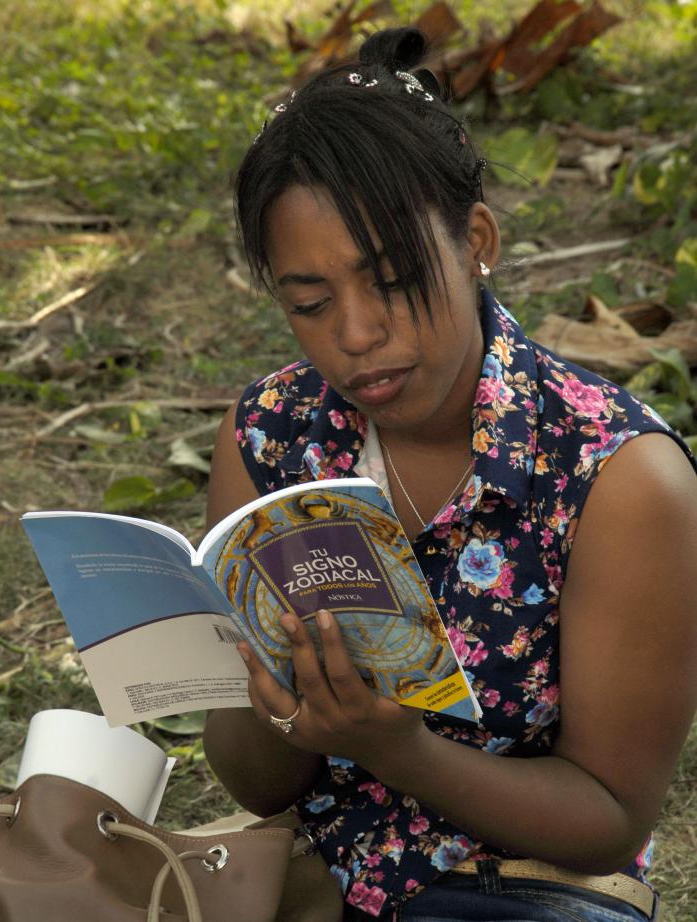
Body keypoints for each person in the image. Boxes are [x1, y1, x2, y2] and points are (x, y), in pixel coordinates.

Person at [203, 27, 697, 922]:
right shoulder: (271, 437)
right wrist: (280, 709)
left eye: (390, 281)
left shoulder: (619, 476)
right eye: (309, 304)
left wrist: (401, 752)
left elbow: (610, 818)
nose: (354, 335)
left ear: (476, 241)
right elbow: (253, 781)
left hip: (528, 890)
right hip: (313, 876)